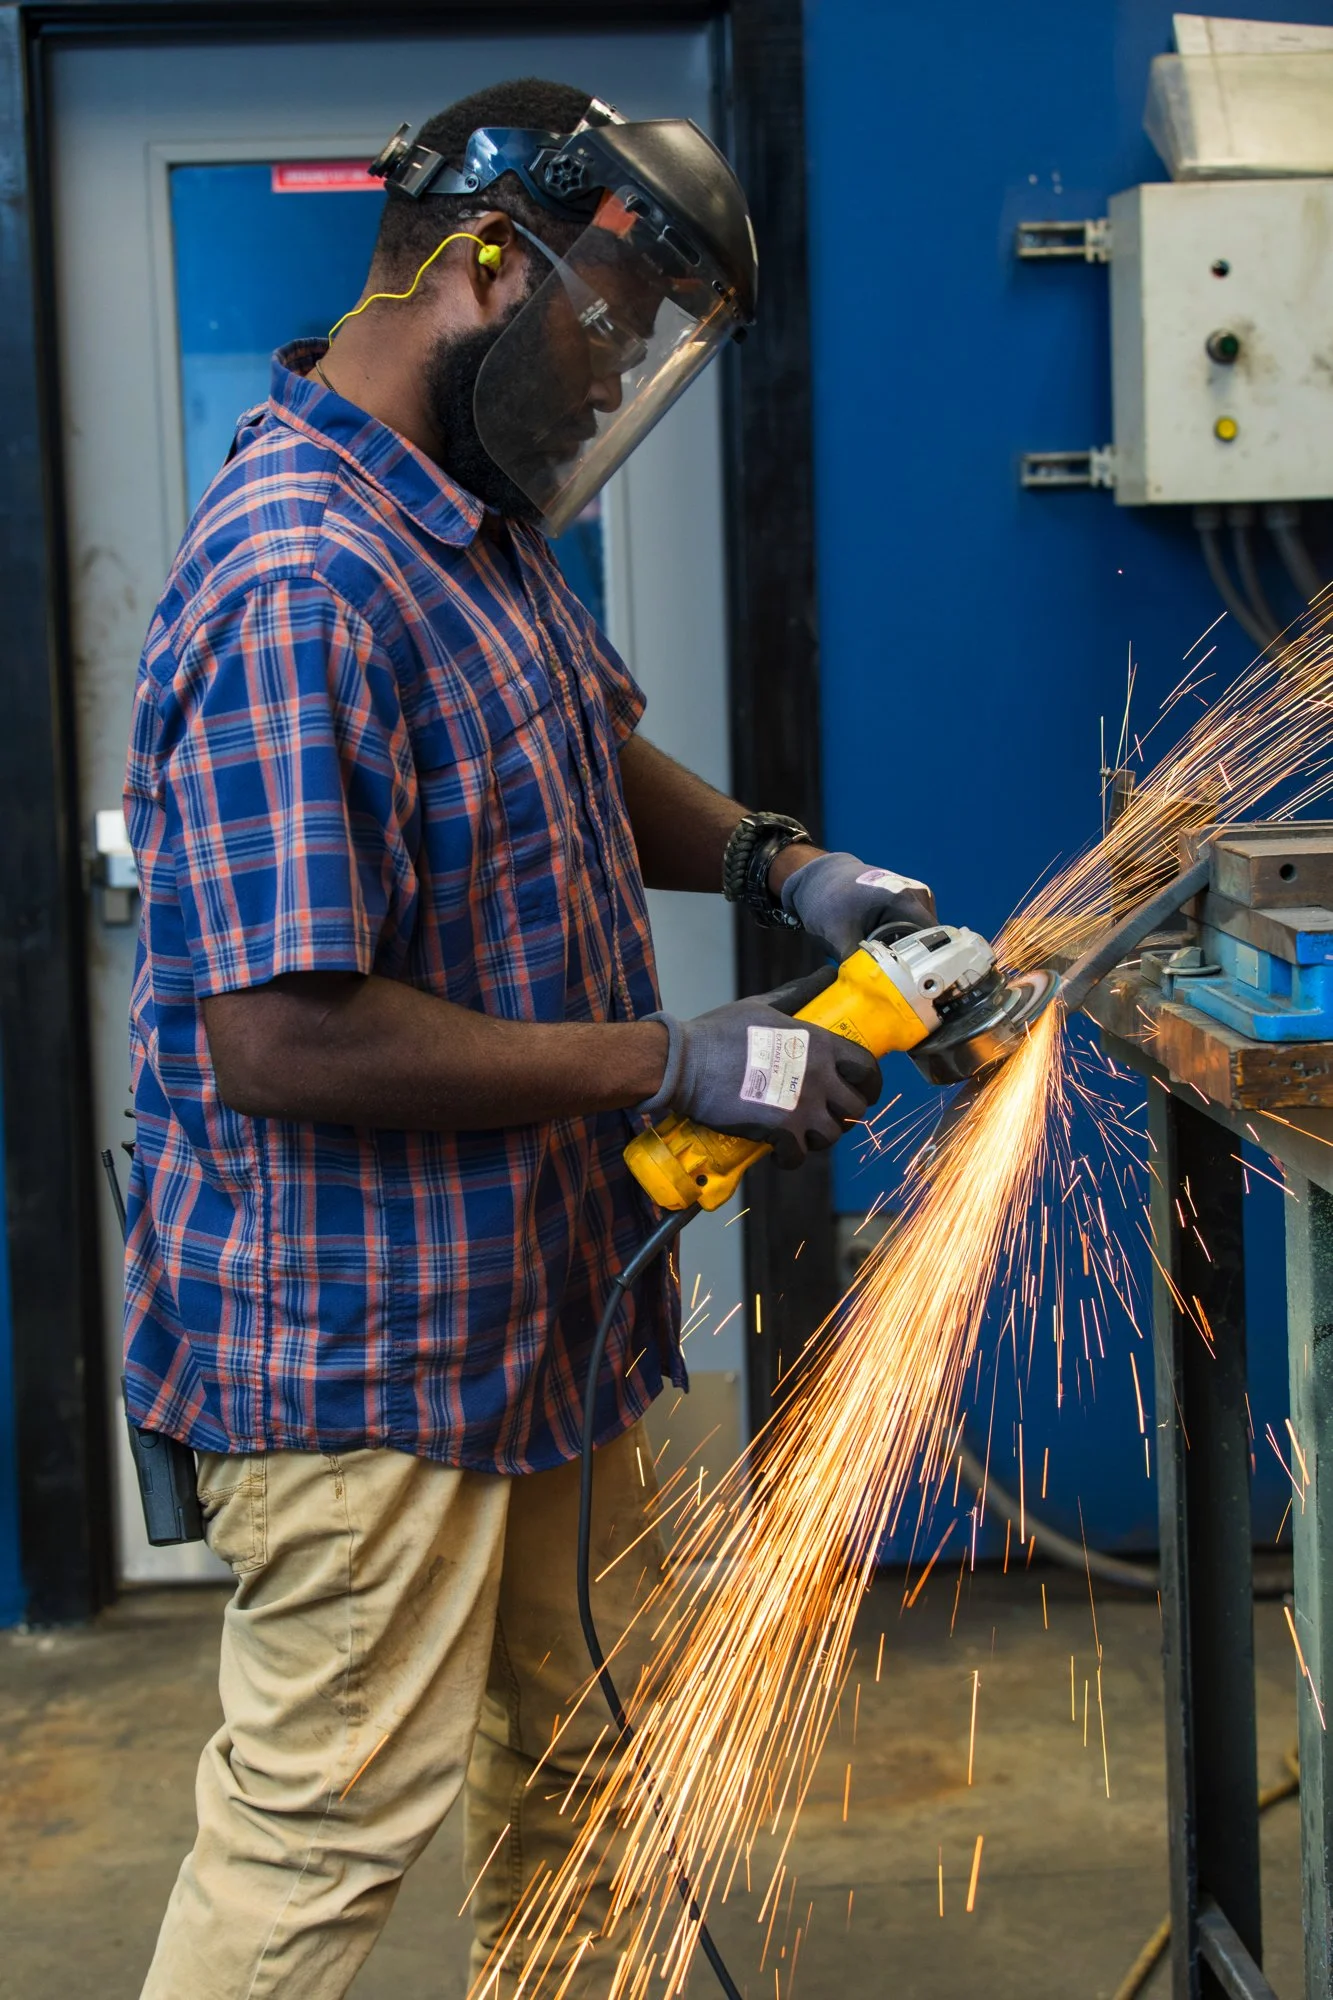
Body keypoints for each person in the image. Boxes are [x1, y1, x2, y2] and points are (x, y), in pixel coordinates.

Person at [124, 78, 937, 1999]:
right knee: (323, 1828)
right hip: (364, 1359)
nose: (612, 387)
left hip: (539, 1312)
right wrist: (665, 1063)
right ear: (491, 262)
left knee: (577, 1773)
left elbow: (584, 743)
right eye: (610, 331)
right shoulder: (295, 575)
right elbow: (282, 1041)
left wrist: (778, 863)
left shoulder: (471, 529)